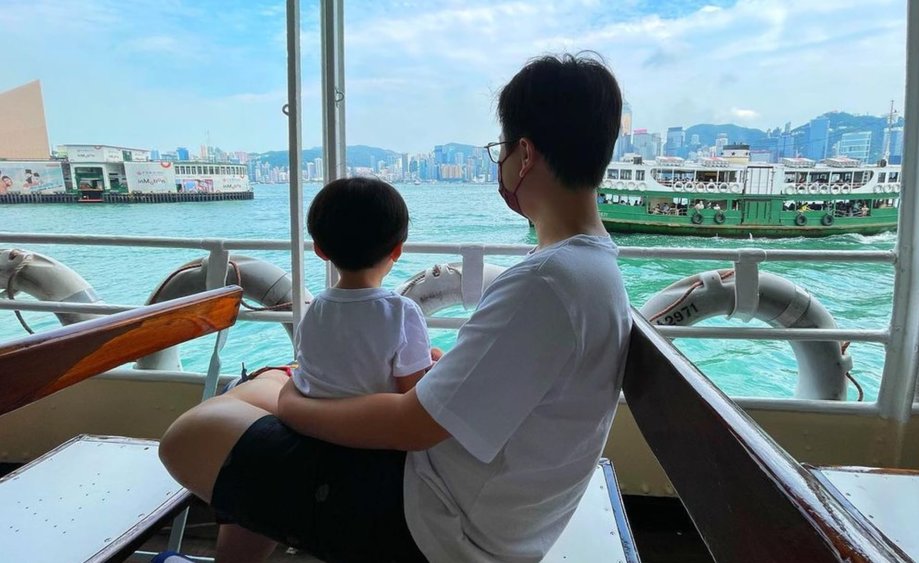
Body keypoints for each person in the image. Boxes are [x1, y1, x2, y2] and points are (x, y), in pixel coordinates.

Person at [159, 52, 631, 563]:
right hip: (475, 509)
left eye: (501, 150)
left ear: (524, 154)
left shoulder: (548, 281)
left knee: (191, 434)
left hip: (434, 525)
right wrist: (452, 368)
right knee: (256, 393)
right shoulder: (588, 269)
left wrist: (294, 404)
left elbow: (413, 424)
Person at [289, 177, 433, 399]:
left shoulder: (315, 308)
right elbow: (412, 394)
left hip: (314, 416)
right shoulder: (402, 312)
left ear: (319, 250)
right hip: (374, 420)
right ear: (397, 250)